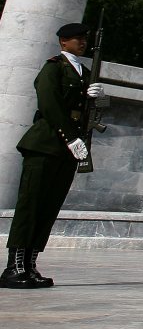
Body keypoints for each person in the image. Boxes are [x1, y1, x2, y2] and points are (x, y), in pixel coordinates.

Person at [2, 23, 106, 289]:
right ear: (63, 42)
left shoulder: (83, 72)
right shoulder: (53, 67)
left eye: (84, 38)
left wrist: (98, 97)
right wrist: (71, 137)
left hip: (67, 147)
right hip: (46, 143)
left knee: (49, 206)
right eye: (76, 39)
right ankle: (14, 266)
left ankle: (30, 263)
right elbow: (50, 104)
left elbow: (86, 108)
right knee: (31, 205)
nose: (82, 43)